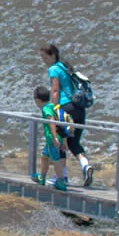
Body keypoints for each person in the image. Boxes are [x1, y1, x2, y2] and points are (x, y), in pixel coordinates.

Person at [41, 42, 93, 187]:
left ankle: (61, 177)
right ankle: (85, 165)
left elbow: (55, 90)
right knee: (73, 142)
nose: (44, 61)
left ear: (53, 55)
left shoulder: (54, 69)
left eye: (45, 57)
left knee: (59, 141)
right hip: (78, 108)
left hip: (65, 107)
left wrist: (55, 107)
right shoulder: (66, 67)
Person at [33, 84, 69, 191]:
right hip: (55, 138)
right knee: (44, 156)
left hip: (52, 139)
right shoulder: (52, 106)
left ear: (38, 100)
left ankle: (61, 181)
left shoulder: (46, 109)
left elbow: (51, 121)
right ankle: (42, 177)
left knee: (56, 159)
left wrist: (54, 137)